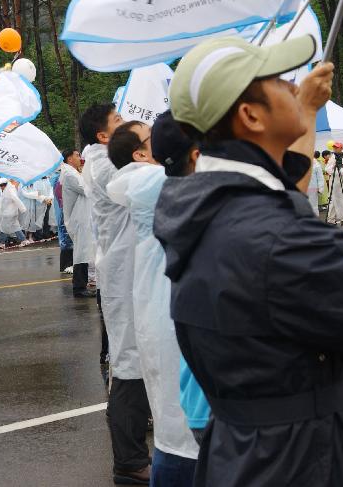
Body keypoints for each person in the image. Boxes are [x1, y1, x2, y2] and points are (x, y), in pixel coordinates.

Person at [154, 33, 343, 486]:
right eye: (279, 81)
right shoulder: (269, 233)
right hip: (302, 463)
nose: (295, 90)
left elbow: (288, 302)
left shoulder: (214, 210)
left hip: (251, 457)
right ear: (251, 115)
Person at [107, 114, 202, 486]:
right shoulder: (143, 180)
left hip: (165, 306)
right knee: (179, 427)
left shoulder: (149, 179)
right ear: (140, 155)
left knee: (177, 418)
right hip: (167, 312)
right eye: (150, 139)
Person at [79, 104, 152, 486]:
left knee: (138, 357)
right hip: (125, 274)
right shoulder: (107, 165)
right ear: (104, 136)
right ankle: (129, 460)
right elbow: (148, 183)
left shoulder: (104, 161)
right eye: (118, 123)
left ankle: (135, 453)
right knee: (128, 362)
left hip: (133, 270)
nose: (125, 126)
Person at [59, 149, 96, 298]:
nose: (80, 157)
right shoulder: (69, 174)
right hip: (78, 218)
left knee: (84, 251)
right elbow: (85, 189)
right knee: (81, 252)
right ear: (69, 159)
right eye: (77, 155)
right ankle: (79, 287)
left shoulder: (72, 172)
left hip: (82, 217)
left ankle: (82, 284)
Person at [0, 179, 27, 247]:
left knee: (3, 228)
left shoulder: (9, 190)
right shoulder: (8, 189)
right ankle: (23, 240)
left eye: (2, 185)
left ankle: (1, 243)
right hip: (11, 212)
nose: (1, 187)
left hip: (9, 213)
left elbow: (15, 198)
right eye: (0, 185)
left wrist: (22, 208)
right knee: (16, 227)